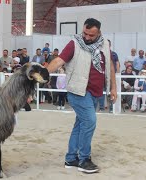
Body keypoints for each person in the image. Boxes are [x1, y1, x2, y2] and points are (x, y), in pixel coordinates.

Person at [46, 18, 117, 174]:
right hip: (78, 91)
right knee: (90, 121)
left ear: (98, 32)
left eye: (91, 35)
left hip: (96, 92)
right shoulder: (75, 43)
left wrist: (113, 87)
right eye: (85, 33)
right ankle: (84, 159)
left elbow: (109, 65)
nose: (87, 37)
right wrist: (43, 73)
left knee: (80, 125)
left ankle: (71, 158)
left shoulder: (105, 44)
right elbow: (58, 61)